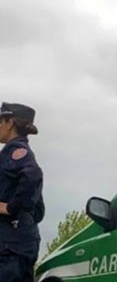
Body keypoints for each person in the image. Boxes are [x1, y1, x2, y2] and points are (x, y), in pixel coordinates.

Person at [0, 102, 44, 282]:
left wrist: (11, 208)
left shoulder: (15, 150)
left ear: (9, 122)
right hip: (20, 238)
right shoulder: (20, 150)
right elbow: (39, 209)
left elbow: (32, 175)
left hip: (11, 242)